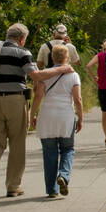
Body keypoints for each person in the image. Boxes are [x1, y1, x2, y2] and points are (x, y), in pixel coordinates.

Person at [0, 22, 72, 200]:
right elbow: (35, 76)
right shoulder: (23, 52)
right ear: (21, 39)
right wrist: (61, 69)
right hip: (14, 99)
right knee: (17, 143)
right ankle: (13, 186)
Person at [30, 43, 82, 198]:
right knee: (68, 149)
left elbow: (38, 96)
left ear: (52, 57)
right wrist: (80, 117)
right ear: (68, 58)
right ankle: (64, 176)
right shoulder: (73, 75)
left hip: (47, 116)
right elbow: (77, 98)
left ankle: (52, 190)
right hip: (65, 115)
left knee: (49, 153)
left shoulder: (44, 74)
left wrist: (32, 114)